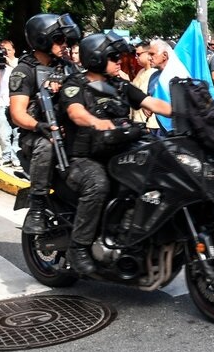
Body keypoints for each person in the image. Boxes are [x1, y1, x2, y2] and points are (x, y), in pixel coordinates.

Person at [60, 32, 171, 273]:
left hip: (118, 153)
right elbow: (75, 112)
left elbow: (152, 103)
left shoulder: (119, 85)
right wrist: (95, 122)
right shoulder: (76, 84)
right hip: (83, 159)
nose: (119, 61)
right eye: (113, 57)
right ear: (97, 58)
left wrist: (190, 111)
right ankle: (78, 247)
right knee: (98, 184)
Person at [10, 13, 80, 234]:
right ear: (42, 40)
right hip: (37, 135)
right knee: (47, 144)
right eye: (59, 40)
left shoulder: (68, 67)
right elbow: (17, 113)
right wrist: (39, 126)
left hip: (68, 132)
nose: (64, 45)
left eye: (64, 40)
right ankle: (38, 206)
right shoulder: (24, 71)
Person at [0, 43, 20, 167]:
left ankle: (16, 156)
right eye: (3, 50)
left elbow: (20, 72)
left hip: (17, 102)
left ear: (14, 50)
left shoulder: (19, 63)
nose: (6, 52)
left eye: (8, 50)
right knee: (3, 133)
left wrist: (9, 62)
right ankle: (6, 156)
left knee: (17, 133)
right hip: (3, 102)